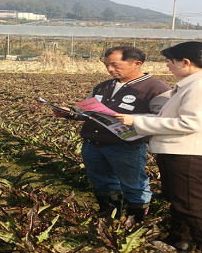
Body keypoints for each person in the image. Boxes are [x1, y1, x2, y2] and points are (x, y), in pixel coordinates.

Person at [116, 41, 202, 253]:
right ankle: (179, 240)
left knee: (192, 206)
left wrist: (138, 121)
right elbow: (170, 117)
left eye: (169, 61)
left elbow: (191, 123)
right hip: (180, 150)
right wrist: (139, 119)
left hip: (193, 153)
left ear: (185, 62)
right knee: (178, 200)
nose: (167, 65)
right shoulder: (193, 84)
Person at [53, 46, 171, 220]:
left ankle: (136, 221)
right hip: (93, 144)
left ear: (137, 64)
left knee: (134, 184)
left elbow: (163, 119)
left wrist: (134, 120)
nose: (109, 69)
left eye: (115, 65)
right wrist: (69, 112)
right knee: (102, 182)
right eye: (106, 65)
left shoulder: (157, 89)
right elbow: (86, 110)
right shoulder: (103, 86)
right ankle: (109, 217)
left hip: (127, 147)